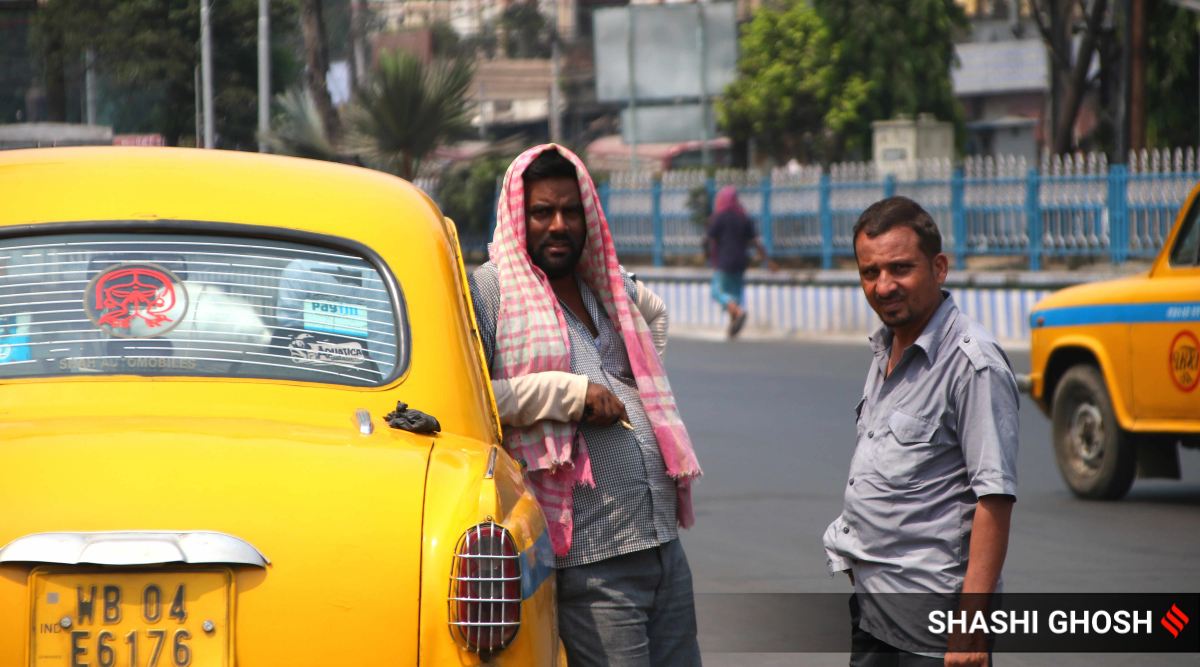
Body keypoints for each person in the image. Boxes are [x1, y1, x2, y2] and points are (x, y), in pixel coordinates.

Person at [469, 144, 703, 666]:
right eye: (542, 212)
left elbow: (655, 315)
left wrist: (637, 384)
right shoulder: (491, 293)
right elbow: (475, 399)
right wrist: (572, 394)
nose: (558, 225)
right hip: (592, 559)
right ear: (516, 216)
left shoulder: (602, 287)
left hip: (662, 546)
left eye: (571, 211)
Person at [822, 196, 1019, 666]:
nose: (884, 286)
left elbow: (994, 497)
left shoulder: (973, 364)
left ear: (939, 267)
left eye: (900, 269)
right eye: (870, 273)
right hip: (875, 614)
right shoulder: (887, 347)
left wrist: (971, 632)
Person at [705, 186, 772, 338]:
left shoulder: (719, 217)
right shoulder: (744, 217)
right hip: (741, 262)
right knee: (734, 295)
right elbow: (755, 242)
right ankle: (732, 328)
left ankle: (738, 312)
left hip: (724, 260)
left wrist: (707, 255)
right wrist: (767, 260)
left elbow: (709, 238)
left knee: (717, 292)